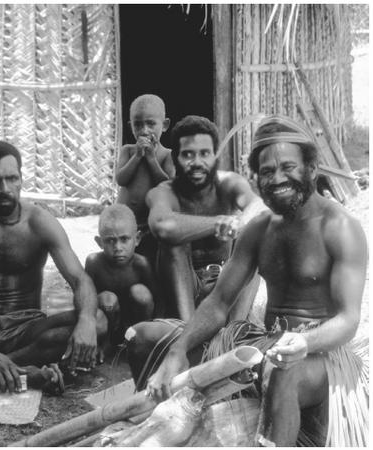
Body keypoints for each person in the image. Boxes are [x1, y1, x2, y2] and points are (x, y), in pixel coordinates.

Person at [129, 115, 368, 446]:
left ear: (311, 168)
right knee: (145, 337)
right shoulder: (260, 230)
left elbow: (348, 320)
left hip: (319, 358)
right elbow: (218, 303)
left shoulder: (340, 228)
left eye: (288, 167)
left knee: (283, 371)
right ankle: (147, 427)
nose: (278, 178)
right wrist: (178, 351)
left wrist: (305, 343)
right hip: (263, 344)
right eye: (267, 172)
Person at [0, 140, 106, 394]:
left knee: (99, 320)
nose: (4, 188)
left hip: (28, 331)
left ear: (22, 179)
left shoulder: (40, 222)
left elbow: (80, 279)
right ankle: (26, 374)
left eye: (12, 178)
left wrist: (87, 320)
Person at [144, 115, 266, 320]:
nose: (197, 162)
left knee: (254, 236)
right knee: (174, 242)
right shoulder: (164, 192)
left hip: (224, 282)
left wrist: (241, 222)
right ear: (176, 158)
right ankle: (187, 332)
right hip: (185, 289)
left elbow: (259, 205)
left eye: (204, 154)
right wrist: (218, 223)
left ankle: (233, 333)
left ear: (215, 157)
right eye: (188, 155)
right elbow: (162, 225)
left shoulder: (228, 183)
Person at [116, 94, 175, 266]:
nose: (144, 130)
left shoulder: (167, 155)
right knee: (123, 262)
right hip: (124, 223)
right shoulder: (127, 151)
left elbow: (167, 186)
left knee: (147, 263)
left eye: (151, 123)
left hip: (150, 227)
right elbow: (121, 179)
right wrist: (137, 157)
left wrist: (151, 160)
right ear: (130, 126)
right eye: (138, 124)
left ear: (164, 125)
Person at [85, 204, 156, 348]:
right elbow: (86, 298)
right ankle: (106, 345)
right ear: (99, 242)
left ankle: (140, 341)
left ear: (137, 239)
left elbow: (157, 300)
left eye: (124, 239)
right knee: (107, 299)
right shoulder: (94, 263)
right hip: (106, 323)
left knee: (141, 293)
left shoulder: (141, 264)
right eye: (110, 241)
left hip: (134, 322)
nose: (117, 248)